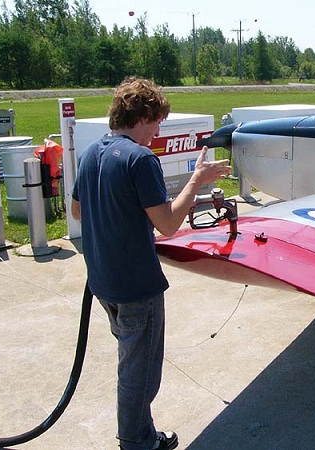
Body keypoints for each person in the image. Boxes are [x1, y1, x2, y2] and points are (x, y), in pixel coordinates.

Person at [71, 77, 231, 450]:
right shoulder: (140, 159)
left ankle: (141, 433)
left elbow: (78, 211)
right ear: (142, 116)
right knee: (139, 373)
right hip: (136, 286)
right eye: (157, 121)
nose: (158, 132)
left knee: (132, 362)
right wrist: (196, 181)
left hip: (103, 282)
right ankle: (136, 442)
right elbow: (169, 223)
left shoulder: (91, 153)